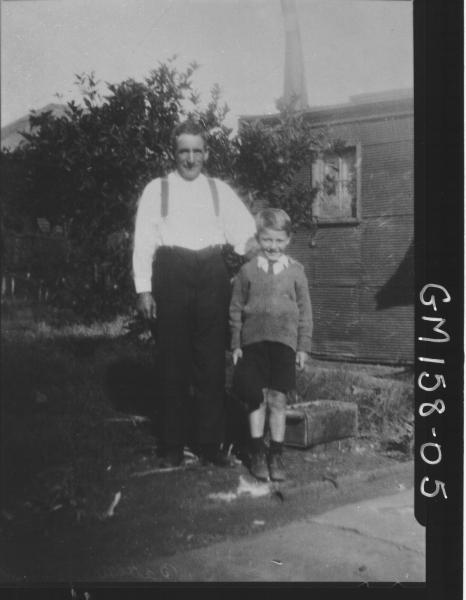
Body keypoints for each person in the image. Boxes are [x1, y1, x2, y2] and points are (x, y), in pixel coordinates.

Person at [132, 119, 256, 468]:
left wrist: (265, 255)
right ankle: (172, 444)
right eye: (183, 151)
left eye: (196, 151)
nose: (190, 159)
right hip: (171, 272)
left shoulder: (219, 190)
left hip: (212, 273)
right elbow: (143, 241)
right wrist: (144, 289)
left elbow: (244, 236)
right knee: (173, 358)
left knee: (210, 361)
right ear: (174, 153)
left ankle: (209, 443)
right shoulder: (157, 189)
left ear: (206, 153)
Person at [229, 208, 313, 481]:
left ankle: (276, 454)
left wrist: (302, 347)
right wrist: (236, 343)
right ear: (258, 239)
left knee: (278, 399)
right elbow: (236, 309)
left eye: (278, 241)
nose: (273, 246)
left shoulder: (297, 272)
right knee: (256, 398)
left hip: (284, 345)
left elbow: (305, 312)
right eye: (267, 240)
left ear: (288, 240)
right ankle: (256, 453)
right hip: (253, 344)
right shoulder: (247, 271)